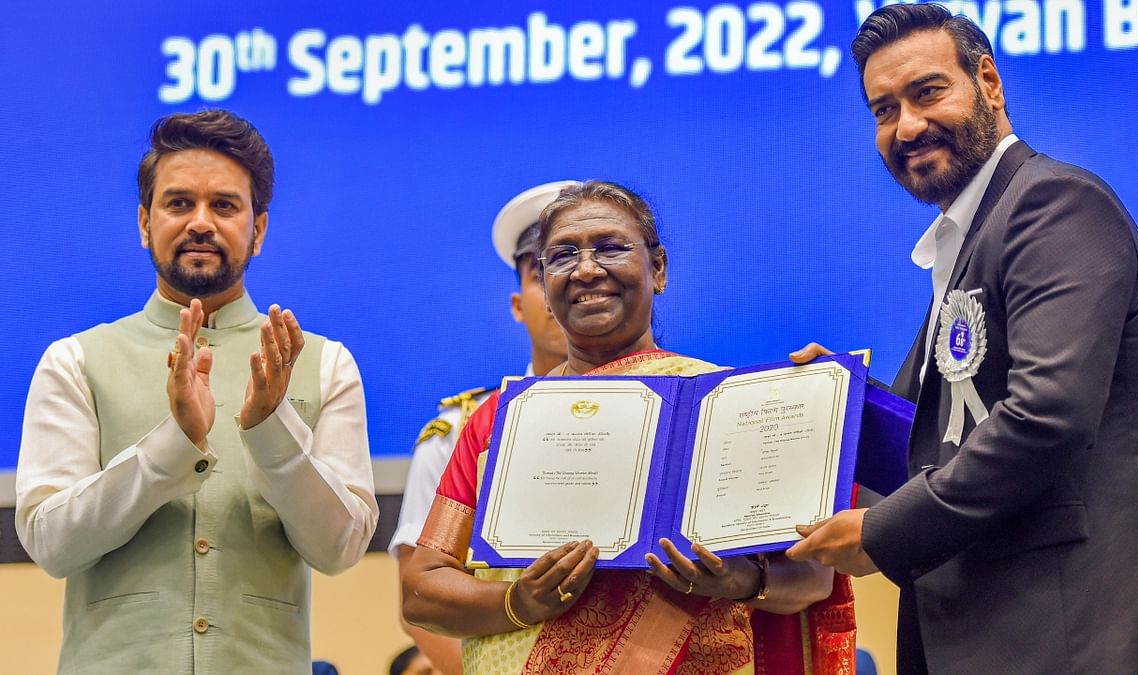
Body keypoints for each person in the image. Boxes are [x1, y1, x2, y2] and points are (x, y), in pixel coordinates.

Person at [785, 5, 1138, 673]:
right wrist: (843, 408)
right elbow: (943, 441)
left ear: (989, 83)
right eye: (884, 110)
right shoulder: (970, 238)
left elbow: (1045, 416)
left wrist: (884, 531)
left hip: (1069, 641)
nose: (907, 126)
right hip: (983, 639)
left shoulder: (1054, 203)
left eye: (927, 92)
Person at [403, 180, 855, 674]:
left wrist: (740, 581)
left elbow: (815, 578)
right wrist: (519, 603)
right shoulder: (495, 421)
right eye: (561, 256)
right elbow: (423, 590)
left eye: (611, 247)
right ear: (544, 288)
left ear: (657, 268)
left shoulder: (731, 406)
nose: (587, 269)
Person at [14, 110, 378, 673]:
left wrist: (271, 430)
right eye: (179, 203)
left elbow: (341, 550)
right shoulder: (75, 361)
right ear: (144, 222)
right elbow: (50, 543)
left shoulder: (322, 362)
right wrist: (173, 444)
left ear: (258, 230)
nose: (200, 222)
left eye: (225, 206)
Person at [389, 181, 574, 674]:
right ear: (518, 305)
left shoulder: (682, 410)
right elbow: (422, 601)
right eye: (543, 271)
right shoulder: (460, 433)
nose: (565, 284)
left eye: (576, 263)